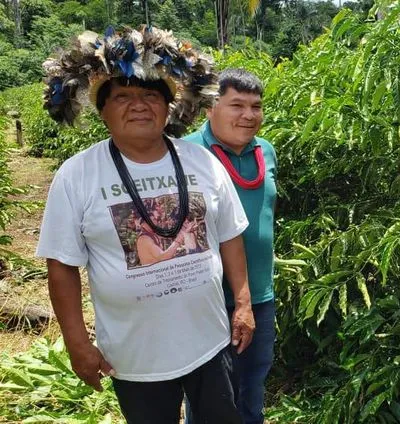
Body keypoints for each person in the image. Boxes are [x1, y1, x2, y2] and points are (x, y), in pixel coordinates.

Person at [37, 27, 255, 423]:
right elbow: (62, 266)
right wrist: (76, 343)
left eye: (150, 95)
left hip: (209, 341)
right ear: (102, 110)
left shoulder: (202, 162)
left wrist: (242, 304)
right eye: (122, 96)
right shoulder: (77, 175)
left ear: (166, 108)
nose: (138, 105)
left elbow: (230, 236)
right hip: (135, 356)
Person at [183, 68, 278, 424]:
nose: (249, 115)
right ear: (210, 107)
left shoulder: (265, 151)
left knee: (253, 385)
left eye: (256, 106)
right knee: (210, 394)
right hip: (203, 298)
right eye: (236, 105)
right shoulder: (186, 152)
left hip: (260, 295)